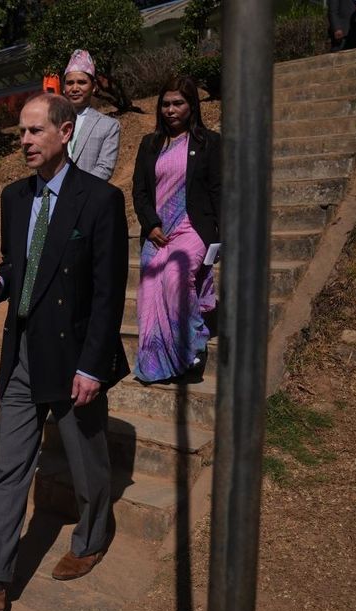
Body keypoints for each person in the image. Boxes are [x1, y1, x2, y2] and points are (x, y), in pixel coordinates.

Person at [0, 93, 129, 611]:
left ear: (66, 133)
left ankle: (90, 536)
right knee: (10, 466)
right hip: (21, 353)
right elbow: (20, 268)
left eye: (35, 131)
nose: (24, 141)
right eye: (21, 132)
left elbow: (108, 293)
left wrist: (92, 366)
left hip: (74, 357)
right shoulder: (14, 198)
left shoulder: (100, 200)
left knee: (86, 463)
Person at [131, 76, 220, 385]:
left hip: (193, 226)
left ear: (191, 105)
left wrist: (223, 238)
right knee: (152, 286)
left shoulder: (209, 143)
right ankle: (159, 360)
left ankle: (194, 347)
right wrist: (151, 224)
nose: (171, 110)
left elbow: (219, 191)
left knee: (175, 276)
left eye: (178, 103)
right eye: (165, 104)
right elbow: (139, 191)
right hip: (159, 231)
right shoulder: (150, 144)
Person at [62, 49, 120, 181]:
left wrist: (75, 189)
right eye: (70, 83)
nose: (75, 88)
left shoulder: (108, 126)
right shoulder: (52, 122)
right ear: (63, 88)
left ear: (93, 87)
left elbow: (104, 168)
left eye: (81, 82)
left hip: (88, 196)